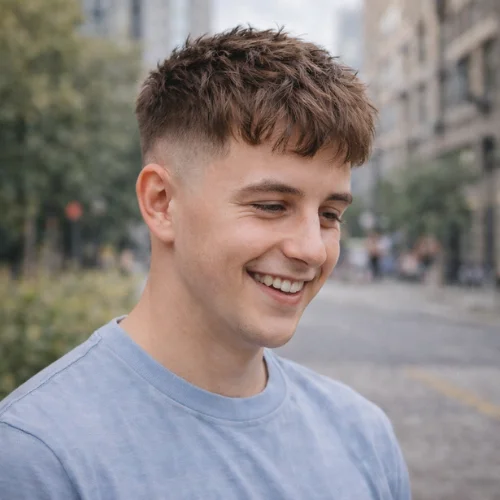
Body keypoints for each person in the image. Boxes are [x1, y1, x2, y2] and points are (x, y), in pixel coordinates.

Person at [0, 27, 411, 499]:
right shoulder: (37, 458)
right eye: (272, 205)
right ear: (161, 202)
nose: (312, 249)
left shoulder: (365, 437)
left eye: (330, 215)